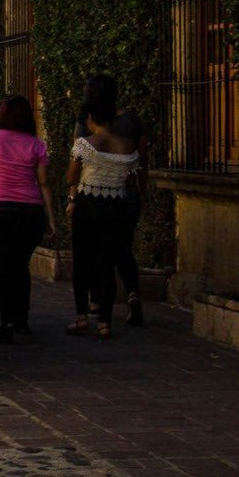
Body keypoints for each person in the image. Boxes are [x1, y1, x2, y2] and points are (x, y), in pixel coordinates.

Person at [0, 95, 58, 344]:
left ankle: (7, 319)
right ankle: (21, 320)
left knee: (2, 267)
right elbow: (44, 183)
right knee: (20, 265)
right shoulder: (36, 145)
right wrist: (51, 218)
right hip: (30, 213)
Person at [66, 79, 140, 339]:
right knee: (107, 262)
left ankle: (81, 317)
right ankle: (105, 323)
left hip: (88, 204)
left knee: (82, 261)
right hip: (116, 206)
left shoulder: (84, 145)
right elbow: (132, 178)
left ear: (90, 118)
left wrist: (72, 197)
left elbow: (71, 177)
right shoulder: (128, 147)